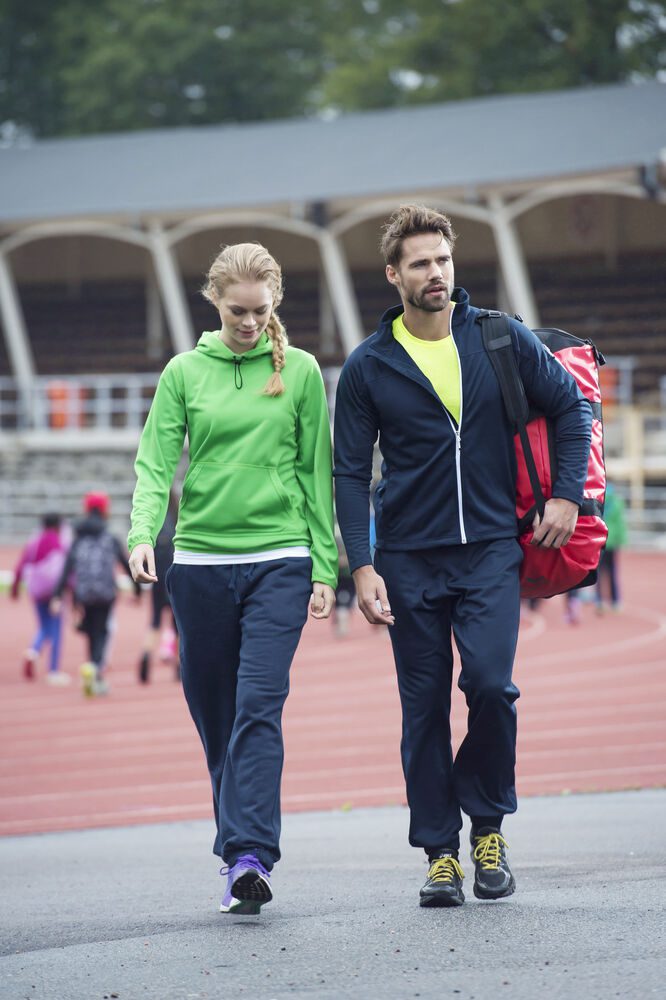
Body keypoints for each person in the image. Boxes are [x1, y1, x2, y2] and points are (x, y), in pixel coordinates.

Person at [333, 205, 592, 908]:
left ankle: (488, 828)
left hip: (489, 551)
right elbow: (349, 472)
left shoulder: (497, 337)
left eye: (442, 260)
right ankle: (439, 854)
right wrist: (363, 565)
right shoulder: (369, 366)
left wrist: (566, 496)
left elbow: (571, 408)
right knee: (422, 711)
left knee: (490, 686)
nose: (435, 273)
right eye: (419, 263)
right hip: (408, 560)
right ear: (394, 275)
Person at [127, 242, 338, 916]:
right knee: (216, 717)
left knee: (258, 707)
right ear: (214, 302)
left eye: (260, 312)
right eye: (237, 311)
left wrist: (324, 565)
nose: (249, 323)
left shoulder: (300, 371)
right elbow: (156, 462)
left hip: (280, 560)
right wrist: (141, 534)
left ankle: (249, 855)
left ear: (275, 304)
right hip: (199, 566)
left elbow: (316, 472)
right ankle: (237, 850)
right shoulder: (183, 372)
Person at [51, 492, 139, 697]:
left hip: (83, 593)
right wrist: (137, 589)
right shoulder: (109, 537)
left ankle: (92, 666)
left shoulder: (78, 538)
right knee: (102, 631)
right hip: (106, 593)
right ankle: (96, 669)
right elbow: (125, 563)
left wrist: (57, 595)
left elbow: (67, 569)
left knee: (90, 631)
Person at [11, 513, 71, 685]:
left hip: (36, 590)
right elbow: (67, 567)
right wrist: (71, 589)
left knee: (44, 626)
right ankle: (53, 670)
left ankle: (34, 650)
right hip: (54, 591)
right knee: (56, 628)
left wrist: (15, 587)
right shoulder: (60, 542)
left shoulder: (34, 542)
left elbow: (21, 564)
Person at [137, 492, 180, 684]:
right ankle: (179, 666)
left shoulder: (153, 519)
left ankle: (146, 653)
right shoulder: (177, 519)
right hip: (173, 575)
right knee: (177, 623)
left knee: (154, 621)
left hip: (156, 574)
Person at [595, 481, 627, 613]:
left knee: (598, 573)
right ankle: (615, 601)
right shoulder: (617, 502)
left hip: (600, 541)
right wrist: (622, 540)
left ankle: (599, 601)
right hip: (612, 542)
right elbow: (620, 524)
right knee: (612, 572)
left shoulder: (598, 500)